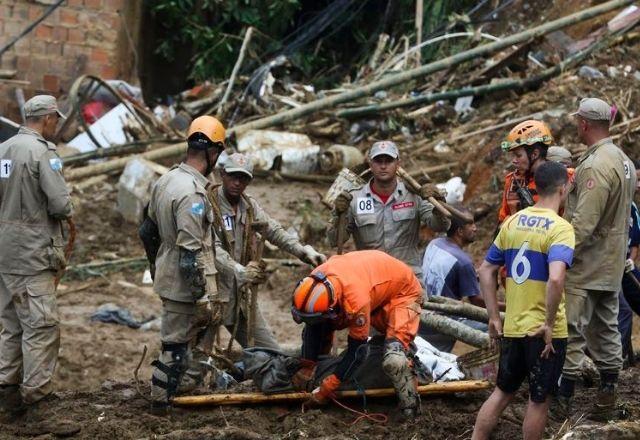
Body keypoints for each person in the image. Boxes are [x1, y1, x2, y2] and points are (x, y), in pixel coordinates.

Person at [472, 161, 574, 440]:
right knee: (538, 400)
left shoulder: (512, 221)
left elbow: (486, 270)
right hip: (542, 332)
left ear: (537, 188)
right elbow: (555, 278)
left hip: (514, 326)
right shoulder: (561, 228)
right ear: (563, 189)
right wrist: (550, 324)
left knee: (502, 392)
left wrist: (494, 317)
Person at [557, 97, 637, 420]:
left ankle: (561, 403)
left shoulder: (594, 166)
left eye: (578, 121)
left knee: (572, 332)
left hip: (587, 265)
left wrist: (560, 258)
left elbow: (583, 224)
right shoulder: (625, 161)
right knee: (607, 330)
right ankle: (608, 394)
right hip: (612, 264)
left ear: (585, 124)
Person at [141, 115, 225, 414]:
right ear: (212, 152)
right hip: (182, 281)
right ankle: (159, 405)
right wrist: (200, 295)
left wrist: (155, 267)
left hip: (167, 271)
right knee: (175, 346)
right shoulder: (193, 194)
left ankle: (176, 391)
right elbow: (190, 256)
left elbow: (146, 230)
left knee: (183, 341)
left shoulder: (166, 179)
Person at [0, 95, 73, 416]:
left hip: (5, 251)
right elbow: (60, 205)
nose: (56, 124)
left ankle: (6, 392)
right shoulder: (43, 153)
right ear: (46, 119)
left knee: (9, 324)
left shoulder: (3, 150)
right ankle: (37, 401)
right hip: (32, 254)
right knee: (41, 327)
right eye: (55, 119)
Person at [212, 152, 326, 349]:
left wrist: (302, 251)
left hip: (241, 293)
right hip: (212, 293)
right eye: (233, 176)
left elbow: (273, 230)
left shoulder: (248, 206)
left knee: (269, 352)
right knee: (195, 357)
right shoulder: (208, 204)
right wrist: (239, 269)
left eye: (244, 178)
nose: (237, 182)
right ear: (223, 174)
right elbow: (211, 249)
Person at [290, 250, 422, 417]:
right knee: (321, 324)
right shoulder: (314, 282)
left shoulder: (356, 302)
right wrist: (307, 365)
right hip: (374, 284)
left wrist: (330, 385)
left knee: (394, 359)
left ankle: (410, 410)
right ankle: (319, 372)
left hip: (403, 292)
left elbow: (358, 352)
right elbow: (314, 327)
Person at [328, 140, 449, 282]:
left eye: (389, 161)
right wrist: (337, 213)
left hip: (408, 277)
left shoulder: (414, 194)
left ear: (398, 163)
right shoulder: (354, 198)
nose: (383, 166)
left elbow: (441, 226)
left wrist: (438, 202)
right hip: (370, 279)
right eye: (378, 161)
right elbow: (335, 241)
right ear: (370, 164)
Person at [420, 205, 498, 352]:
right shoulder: (463, 261)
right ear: (460, 231)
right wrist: (508, 306)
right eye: (471, 225)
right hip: (443, 320)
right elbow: (477, 302)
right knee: (498, 325)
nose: (475, 228)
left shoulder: (435, 243)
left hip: (423, 313)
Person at [497, 120, 554, 224]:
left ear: (534, 154)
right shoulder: (512, 181)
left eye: (518, 155)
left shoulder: (561, 177)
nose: (514, 160)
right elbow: (502, 219)